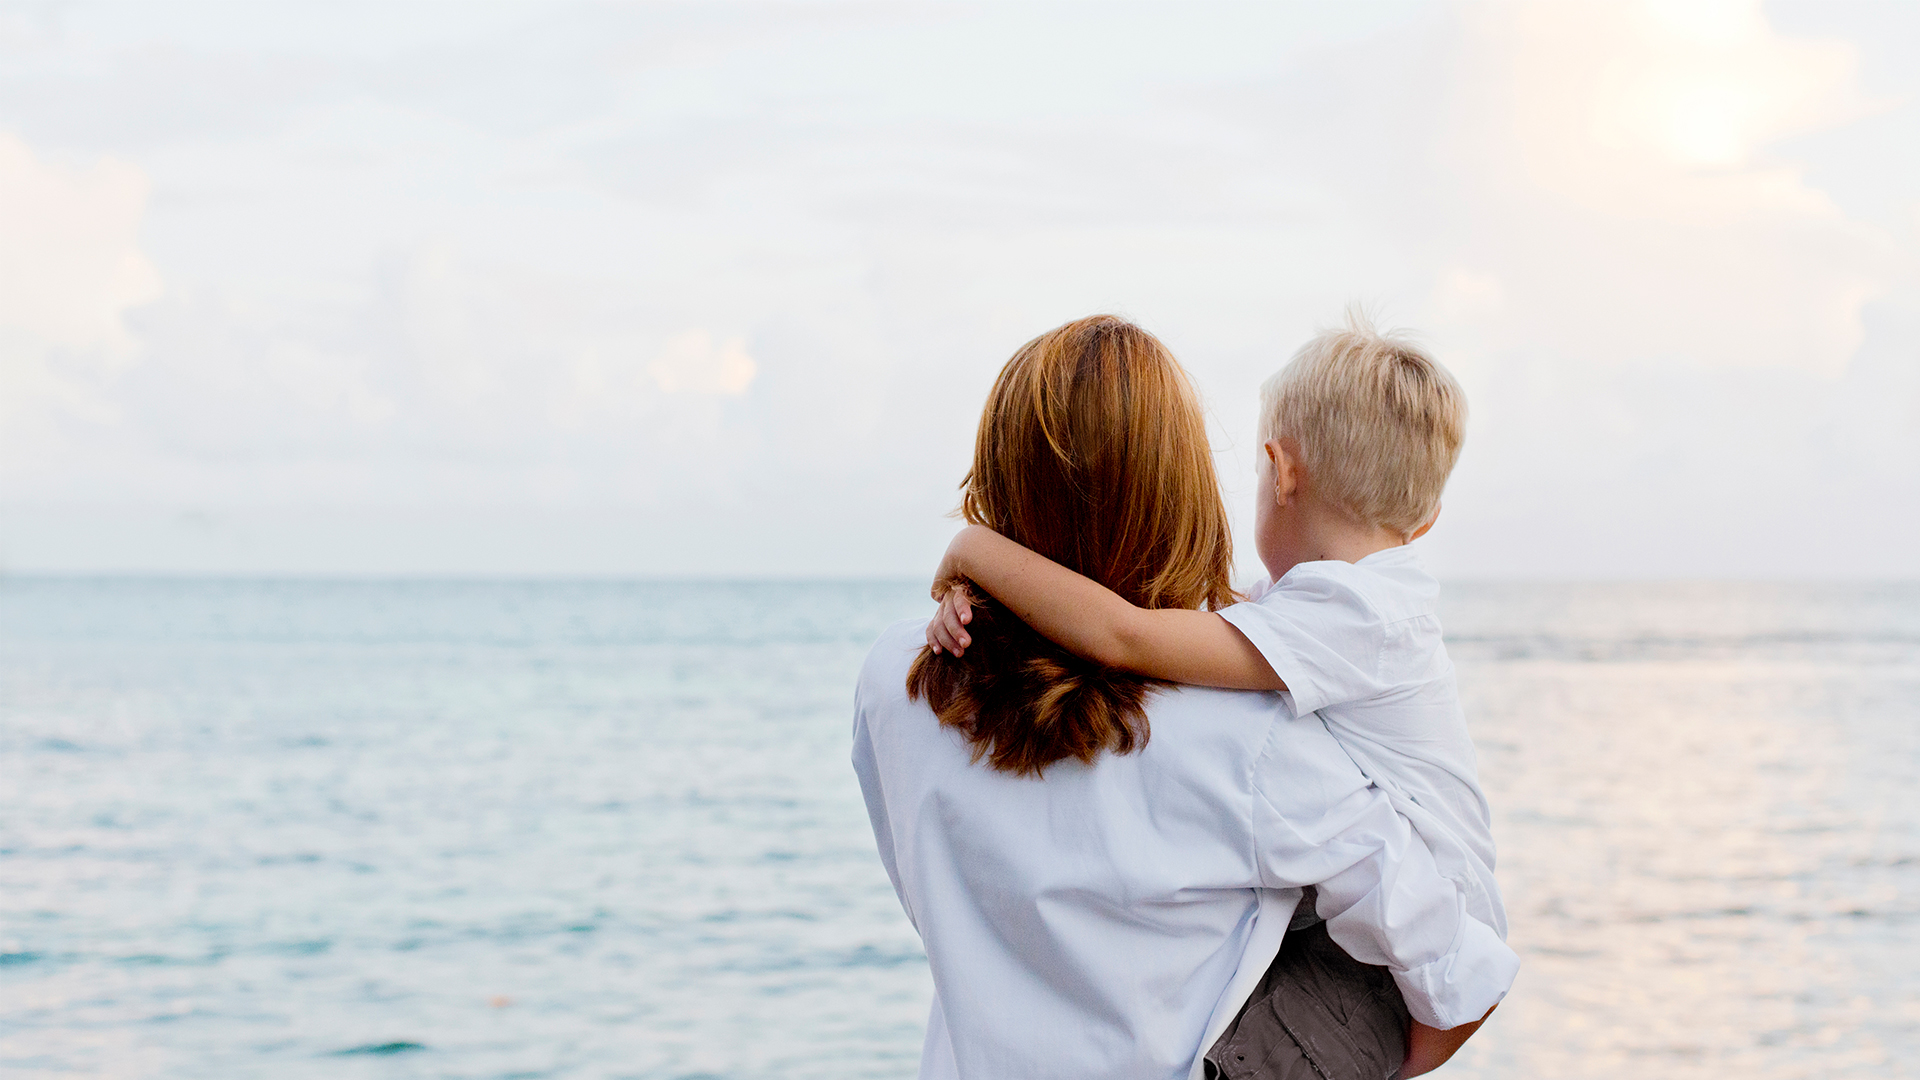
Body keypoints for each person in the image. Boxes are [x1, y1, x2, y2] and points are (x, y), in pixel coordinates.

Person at [852, 315, 1516, 1080]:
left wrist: (974, 556)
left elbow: (1128, 636)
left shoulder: (892, 680)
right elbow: (1457, 967)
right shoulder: (1258, 736)